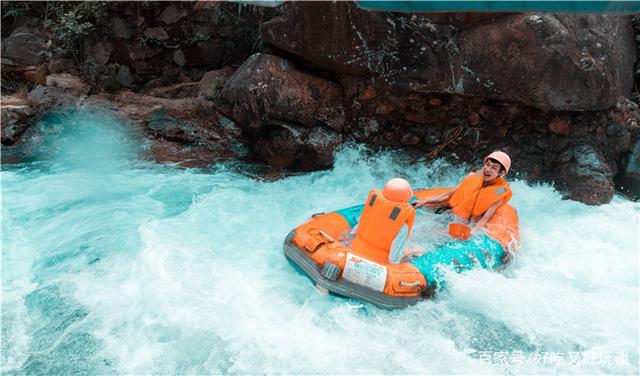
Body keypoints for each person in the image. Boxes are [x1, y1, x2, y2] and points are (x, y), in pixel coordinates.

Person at [413, 151, 512, 236]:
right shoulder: (473, 177)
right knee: (422, 225)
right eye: (487, 164)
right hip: (448, 212)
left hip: (463, 223)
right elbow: (448, 195)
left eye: (494, 168)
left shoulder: (500, 193)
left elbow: (484, 219)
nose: (487, 169)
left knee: (433, 233)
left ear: (501, 173)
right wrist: (424, 201)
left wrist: (472, 232)